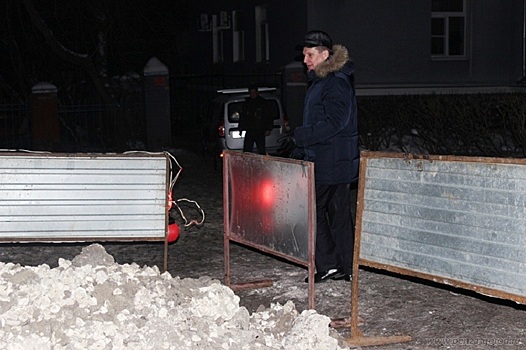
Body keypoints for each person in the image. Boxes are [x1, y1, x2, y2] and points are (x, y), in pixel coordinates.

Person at [294, 30, 360, 283]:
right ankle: (345, 265)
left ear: (324, 54)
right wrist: (302, 146)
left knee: (316, 212)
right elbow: (321, 121)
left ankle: (331, 264)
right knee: (337, 213)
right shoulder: (323, 81)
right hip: (330, 160)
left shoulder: (335, 82)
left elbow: (335, 123)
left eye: (309, 55)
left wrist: (300, 137)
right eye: (304, 55)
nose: (305, 60)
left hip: (331, 162)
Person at [238, 84, 274, 155]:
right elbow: (243, 117)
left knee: (261, 151)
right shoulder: (247, 104)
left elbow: (269, 116)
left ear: (257, 92)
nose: (253, 94)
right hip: (250, 130)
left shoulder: (263, 103)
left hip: (260, 130)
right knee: (247, 151)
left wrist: (268, 128)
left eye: (254, 92)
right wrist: (241, 128)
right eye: (251, 93)